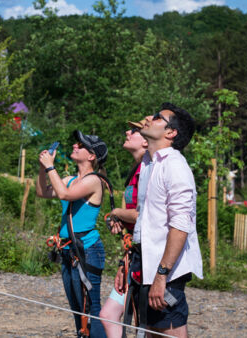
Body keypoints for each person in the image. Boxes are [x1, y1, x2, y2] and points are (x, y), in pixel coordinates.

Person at [115, 103, 203, 338]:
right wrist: (130, 263)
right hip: (145, 264)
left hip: (166, 271)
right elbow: (145, 223)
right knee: (152, 332)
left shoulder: (175, 166)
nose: (148, 118)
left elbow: (180, 226)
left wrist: (161, 275)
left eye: (156, 117)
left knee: (170, 332)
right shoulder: (148, 165)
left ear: (170, 133)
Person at [36, 130, 109, 338]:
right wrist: (43, 170)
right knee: (77, 309)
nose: (75, 146)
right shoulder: (68, 179)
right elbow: (42, 192)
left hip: (87, 249)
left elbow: (64, 194)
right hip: (68, 249)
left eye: (81, 145)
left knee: (91, 309)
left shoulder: (95, 180)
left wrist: (51, 166)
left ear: (92, 156)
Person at [100, 121, 148, 337]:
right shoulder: (136, 170)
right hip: (133, 253)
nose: (127, 132)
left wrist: (117, 213)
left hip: (148, 257)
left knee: (145, 325)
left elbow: (143, 215)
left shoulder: (148, 169)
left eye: (134, 131)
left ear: (146, 140)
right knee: (109, 314)